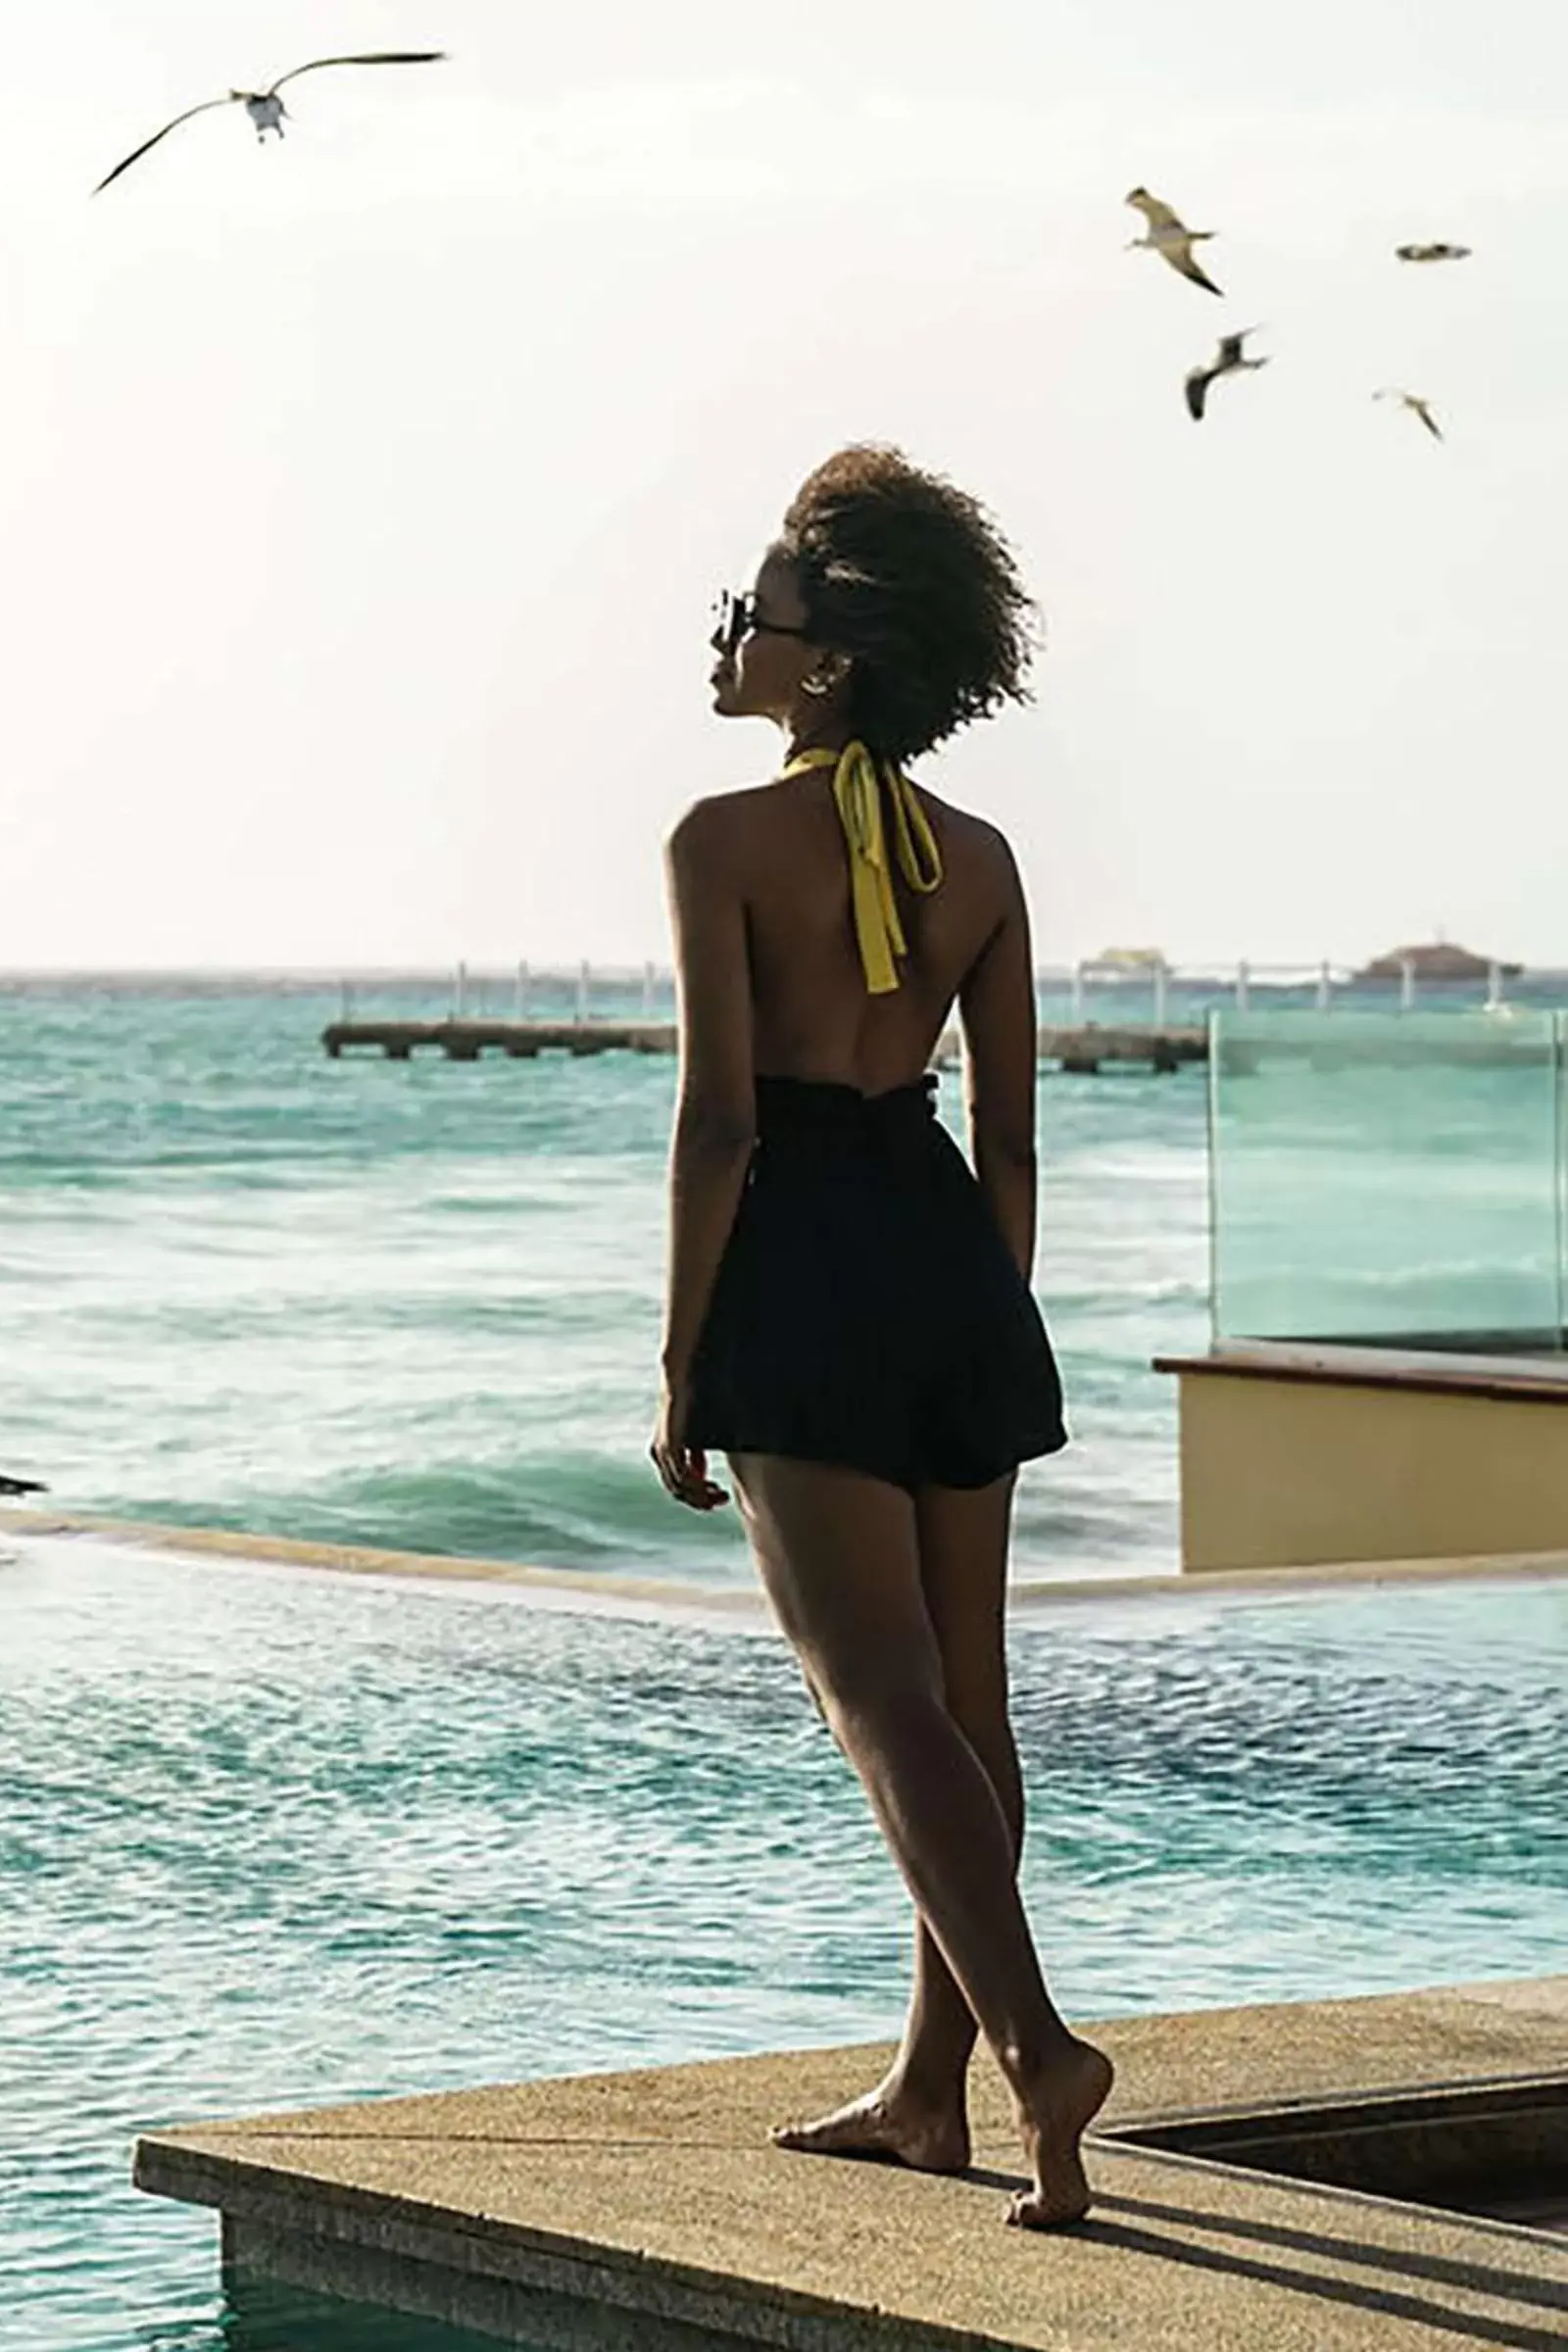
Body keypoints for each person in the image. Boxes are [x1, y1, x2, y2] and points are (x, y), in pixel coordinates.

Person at [648, 445, 1110, 2230]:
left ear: (823, 656)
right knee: (963, 1708)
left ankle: (1031, 2048)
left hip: (807, 1265)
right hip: (946, 1260)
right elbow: (1009, 1135)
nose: (723, 638)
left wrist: (687, 1360)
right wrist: (990, 1316)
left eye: (745, 613)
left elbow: (719, 1126)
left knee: (875, 1700)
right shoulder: (982, 859)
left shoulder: (717, 840)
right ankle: (931, 2094)